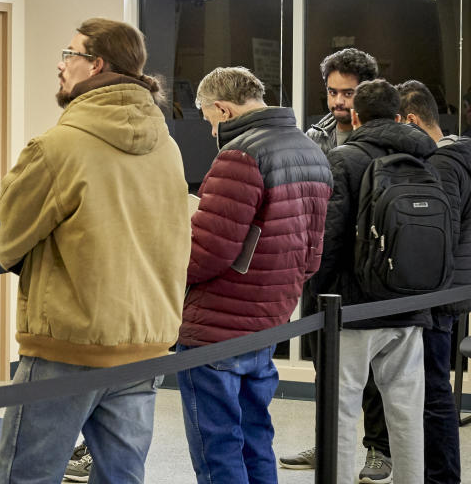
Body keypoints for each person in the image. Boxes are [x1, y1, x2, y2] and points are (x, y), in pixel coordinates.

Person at [0, 18, 190, 484]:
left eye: (69, 54)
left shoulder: (58, 146)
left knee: (27, 475)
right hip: (146, 341)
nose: (61, 65)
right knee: (122, 477)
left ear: (95, 64)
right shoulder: (167, 147)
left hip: (69, 343)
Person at [176, 67, 332, 484]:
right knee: (256, 435)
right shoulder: (311, 150)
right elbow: (313, 252)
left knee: (218, 445)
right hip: (270, 316)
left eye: (210, 122)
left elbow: (209, 251)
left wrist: (169, 274)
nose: (212, 133)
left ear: (223, 109)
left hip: (217, 324)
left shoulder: (239, 155)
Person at [308, 79, 432, 484]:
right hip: (411, 299)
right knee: (407, 410)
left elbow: (330, 236)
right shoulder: (426, 155)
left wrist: (318, 290)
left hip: (352, 306)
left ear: (356, 116)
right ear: (399, 116)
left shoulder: (344, 159)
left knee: (342, 410)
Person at [280, 47, 392, 483]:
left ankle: (378, 449)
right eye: (332, 92)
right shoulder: (316, 135)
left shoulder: (385, 136)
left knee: (372, 372)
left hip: (369, 266)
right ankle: (330, 440)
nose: (339, 102)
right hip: (321, 263)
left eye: (348, 93)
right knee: (323, 359)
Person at [396, 79, 470, 484]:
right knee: (434, 390)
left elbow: (439, 236)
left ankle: (441, 477)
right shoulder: (463, 153)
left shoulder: (440, 165)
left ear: (410, 119)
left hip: (439, 293)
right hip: (456, 287)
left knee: (432, 394)